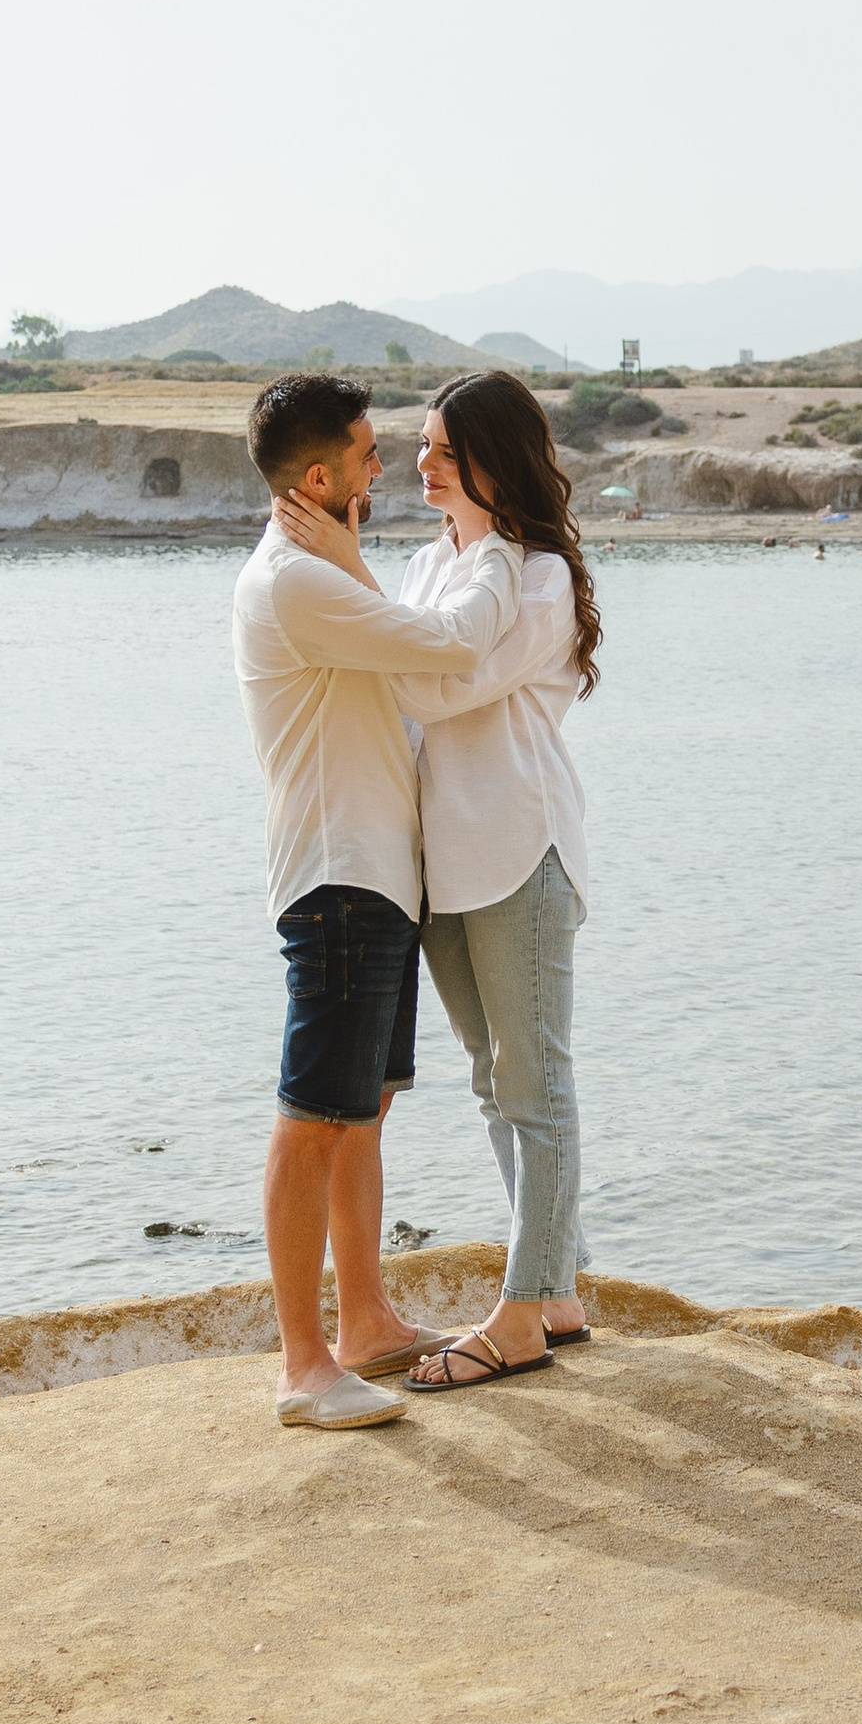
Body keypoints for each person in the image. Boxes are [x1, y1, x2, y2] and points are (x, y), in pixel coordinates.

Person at [271, 368, 596, 1393]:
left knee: (533, 1081)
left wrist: (350, 574)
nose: (421, 464)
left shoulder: (532, 572)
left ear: (493, 459)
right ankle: (554, 1291)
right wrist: (367, 581)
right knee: (491, 1081)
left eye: (445, 450)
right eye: (419, 446)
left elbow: (429, 681)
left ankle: (522, 1310)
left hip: (518, 845)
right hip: (438, 865)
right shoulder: (420, 563)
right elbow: (401, 664)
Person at [231, 372, 522, 1428]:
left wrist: (353, 560)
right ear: (320, 477)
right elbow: (445, 649)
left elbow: (400, 660)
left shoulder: (324, 576)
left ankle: (365, 1326)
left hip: (376, 879)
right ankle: (304, 1368)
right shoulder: (298, 586)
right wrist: (487, 550)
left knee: (364, 1113)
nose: (385, 467)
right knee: (313, 1118)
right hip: (337, 879)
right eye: (365, 454)